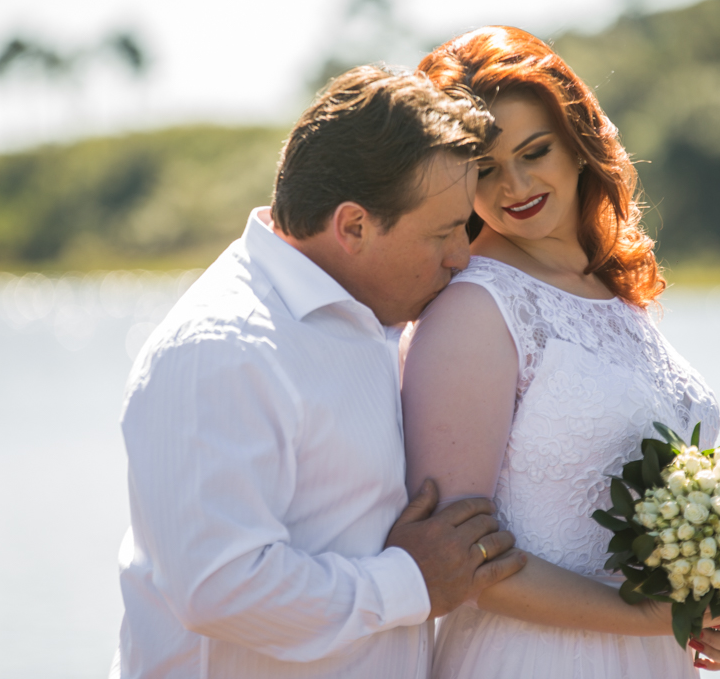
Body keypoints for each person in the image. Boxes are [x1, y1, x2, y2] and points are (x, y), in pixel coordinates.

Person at [113, 65, 527, 679]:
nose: (460, 257)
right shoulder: (224, 349)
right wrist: (409, 581)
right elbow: (220, 586)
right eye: (442, 234)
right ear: (353, 226)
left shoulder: (371, 313)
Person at [402, 26, 720, 677]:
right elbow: (464, 564)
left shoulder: (616, 292)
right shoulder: (473, 309)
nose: (514, 186)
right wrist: (658, 615)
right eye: (484, 168)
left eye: (534, 151)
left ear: (578, 141)